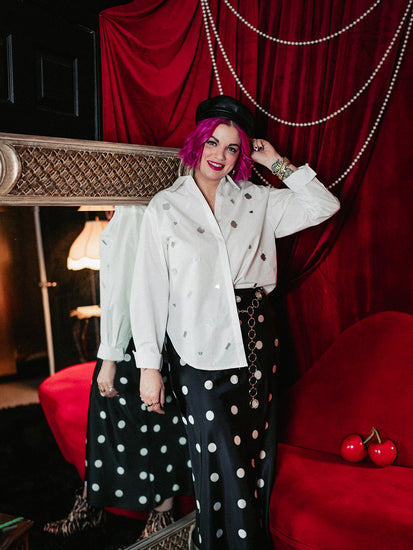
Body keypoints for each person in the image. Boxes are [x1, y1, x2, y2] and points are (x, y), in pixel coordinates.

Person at [130, 95, 340, 550]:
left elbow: (324, 206)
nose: (219, 155)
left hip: (257, 338)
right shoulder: (165, 207)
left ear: (242, 153)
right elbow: (148, 290)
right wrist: (149, 366)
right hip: (196, 350)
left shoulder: (255, 199)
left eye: (232, 147)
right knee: (219, 461)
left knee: (254, 457)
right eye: (212, 141)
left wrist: (275, 162)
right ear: (196, 141)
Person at [44, 205, 193, 542]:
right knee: (130, 420)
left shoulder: (134, 210)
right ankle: (97, 505)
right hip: (151, 331)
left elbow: (125, 285)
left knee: (150, 419)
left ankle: (158, 517)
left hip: (136, 335)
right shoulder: (139, 208)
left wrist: (111, 354)